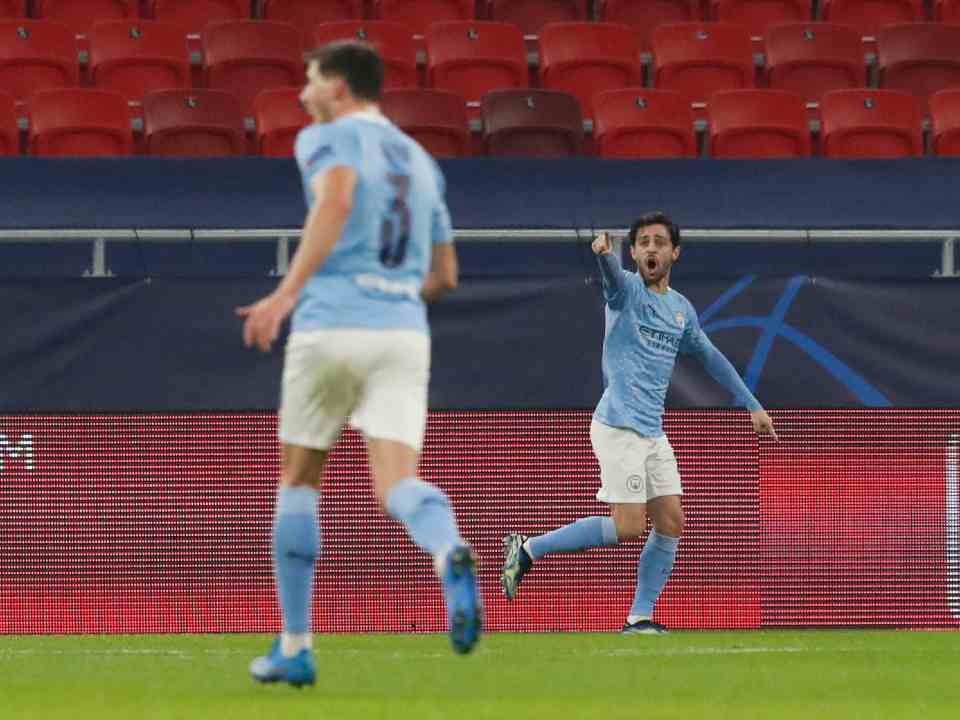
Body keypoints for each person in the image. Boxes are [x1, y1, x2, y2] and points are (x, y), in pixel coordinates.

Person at [236, 41, 482, 686]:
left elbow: (337, 199)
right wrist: (391, 296)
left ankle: (295, 646)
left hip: (331, 323)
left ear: (339, 87)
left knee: (299, 479)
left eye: (311, 80)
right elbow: (446, 275)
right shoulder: (422, 160)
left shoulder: (326, 137)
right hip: (402, 332)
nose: (303, 94)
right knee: (397, 483)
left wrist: (285, 294)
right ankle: (446, 549)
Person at [501, 212, 777, 634]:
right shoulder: (627, 290)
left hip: (652, 431)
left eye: (659, 242)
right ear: (633, 252)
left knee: (671, 522)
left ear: (674, 252)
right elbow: (611, 279)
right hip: (618, 425)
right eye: (643, 242)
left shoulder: (681, 310)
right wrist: (604, 257)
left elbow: (711, 357)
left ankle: (639, 617)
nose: (651, 248)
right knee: (629, 525)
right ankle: (529, 549)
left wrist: (753, 405)